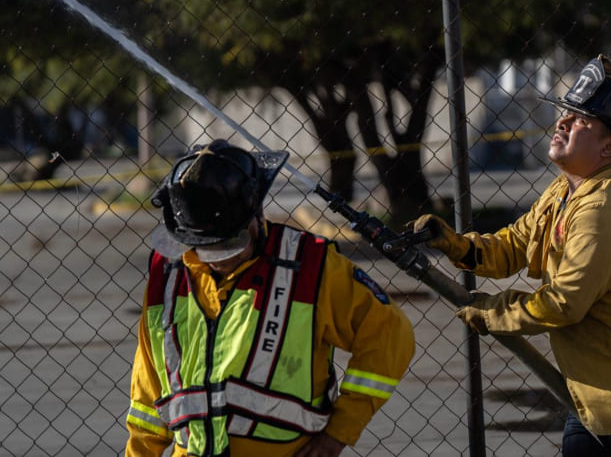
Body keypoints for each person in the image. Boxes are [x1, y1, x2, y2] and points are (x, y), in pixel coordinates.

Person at [411, 55, 611, 456]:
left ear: (609, 145)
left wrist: (495, 313)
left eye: (581, 119)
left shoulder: (602, 210)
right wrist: (460, 247)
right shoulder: (565, 191)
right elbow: (515, 244)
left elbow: (564, 303)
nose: (562, 121)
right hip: (595, 402)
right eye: (566, 112)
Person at [125, 140, 415, 457]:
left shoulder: (311, 266)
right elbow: (148, 390)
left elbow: (389, 334)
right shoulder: (168, 274)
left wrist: (337, 434)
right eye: (203, 246)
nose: (217, 258)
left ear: (257, 214)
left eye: (228, 243)